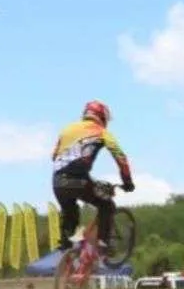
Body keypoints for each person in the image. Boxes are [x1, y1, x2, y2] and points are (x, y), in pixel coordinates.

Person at [51, 100, 135, 255]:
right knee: (106, 205)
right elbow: (120, 157)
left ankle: (67, 246)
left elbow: (54, 155)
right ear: (102, 117)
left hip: (57, 182)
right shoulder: (101, 132)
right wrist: (127, 181)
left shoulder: (66, 129)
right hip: (79, 180)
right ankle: (103, 244)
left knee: (70, 212)